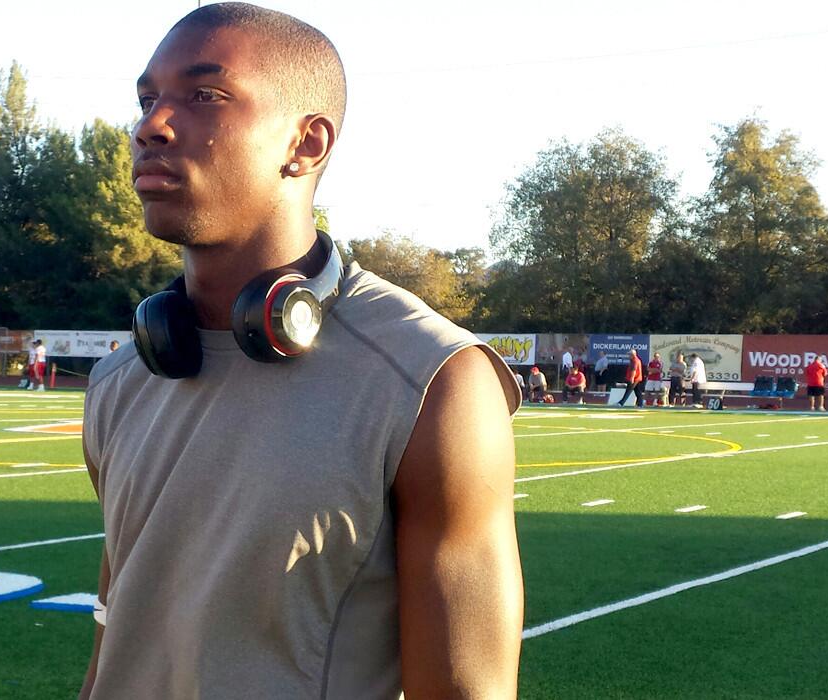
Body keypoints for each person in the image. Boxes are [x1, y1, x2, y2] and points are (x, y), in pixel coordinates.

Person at [79, 6, 522, 698]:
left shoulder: (435, 383)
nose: (150, 126)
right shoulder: (119, 381)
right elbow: (114, 649)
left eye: (204, 95)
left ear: (307, 144)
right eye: (146, 99)